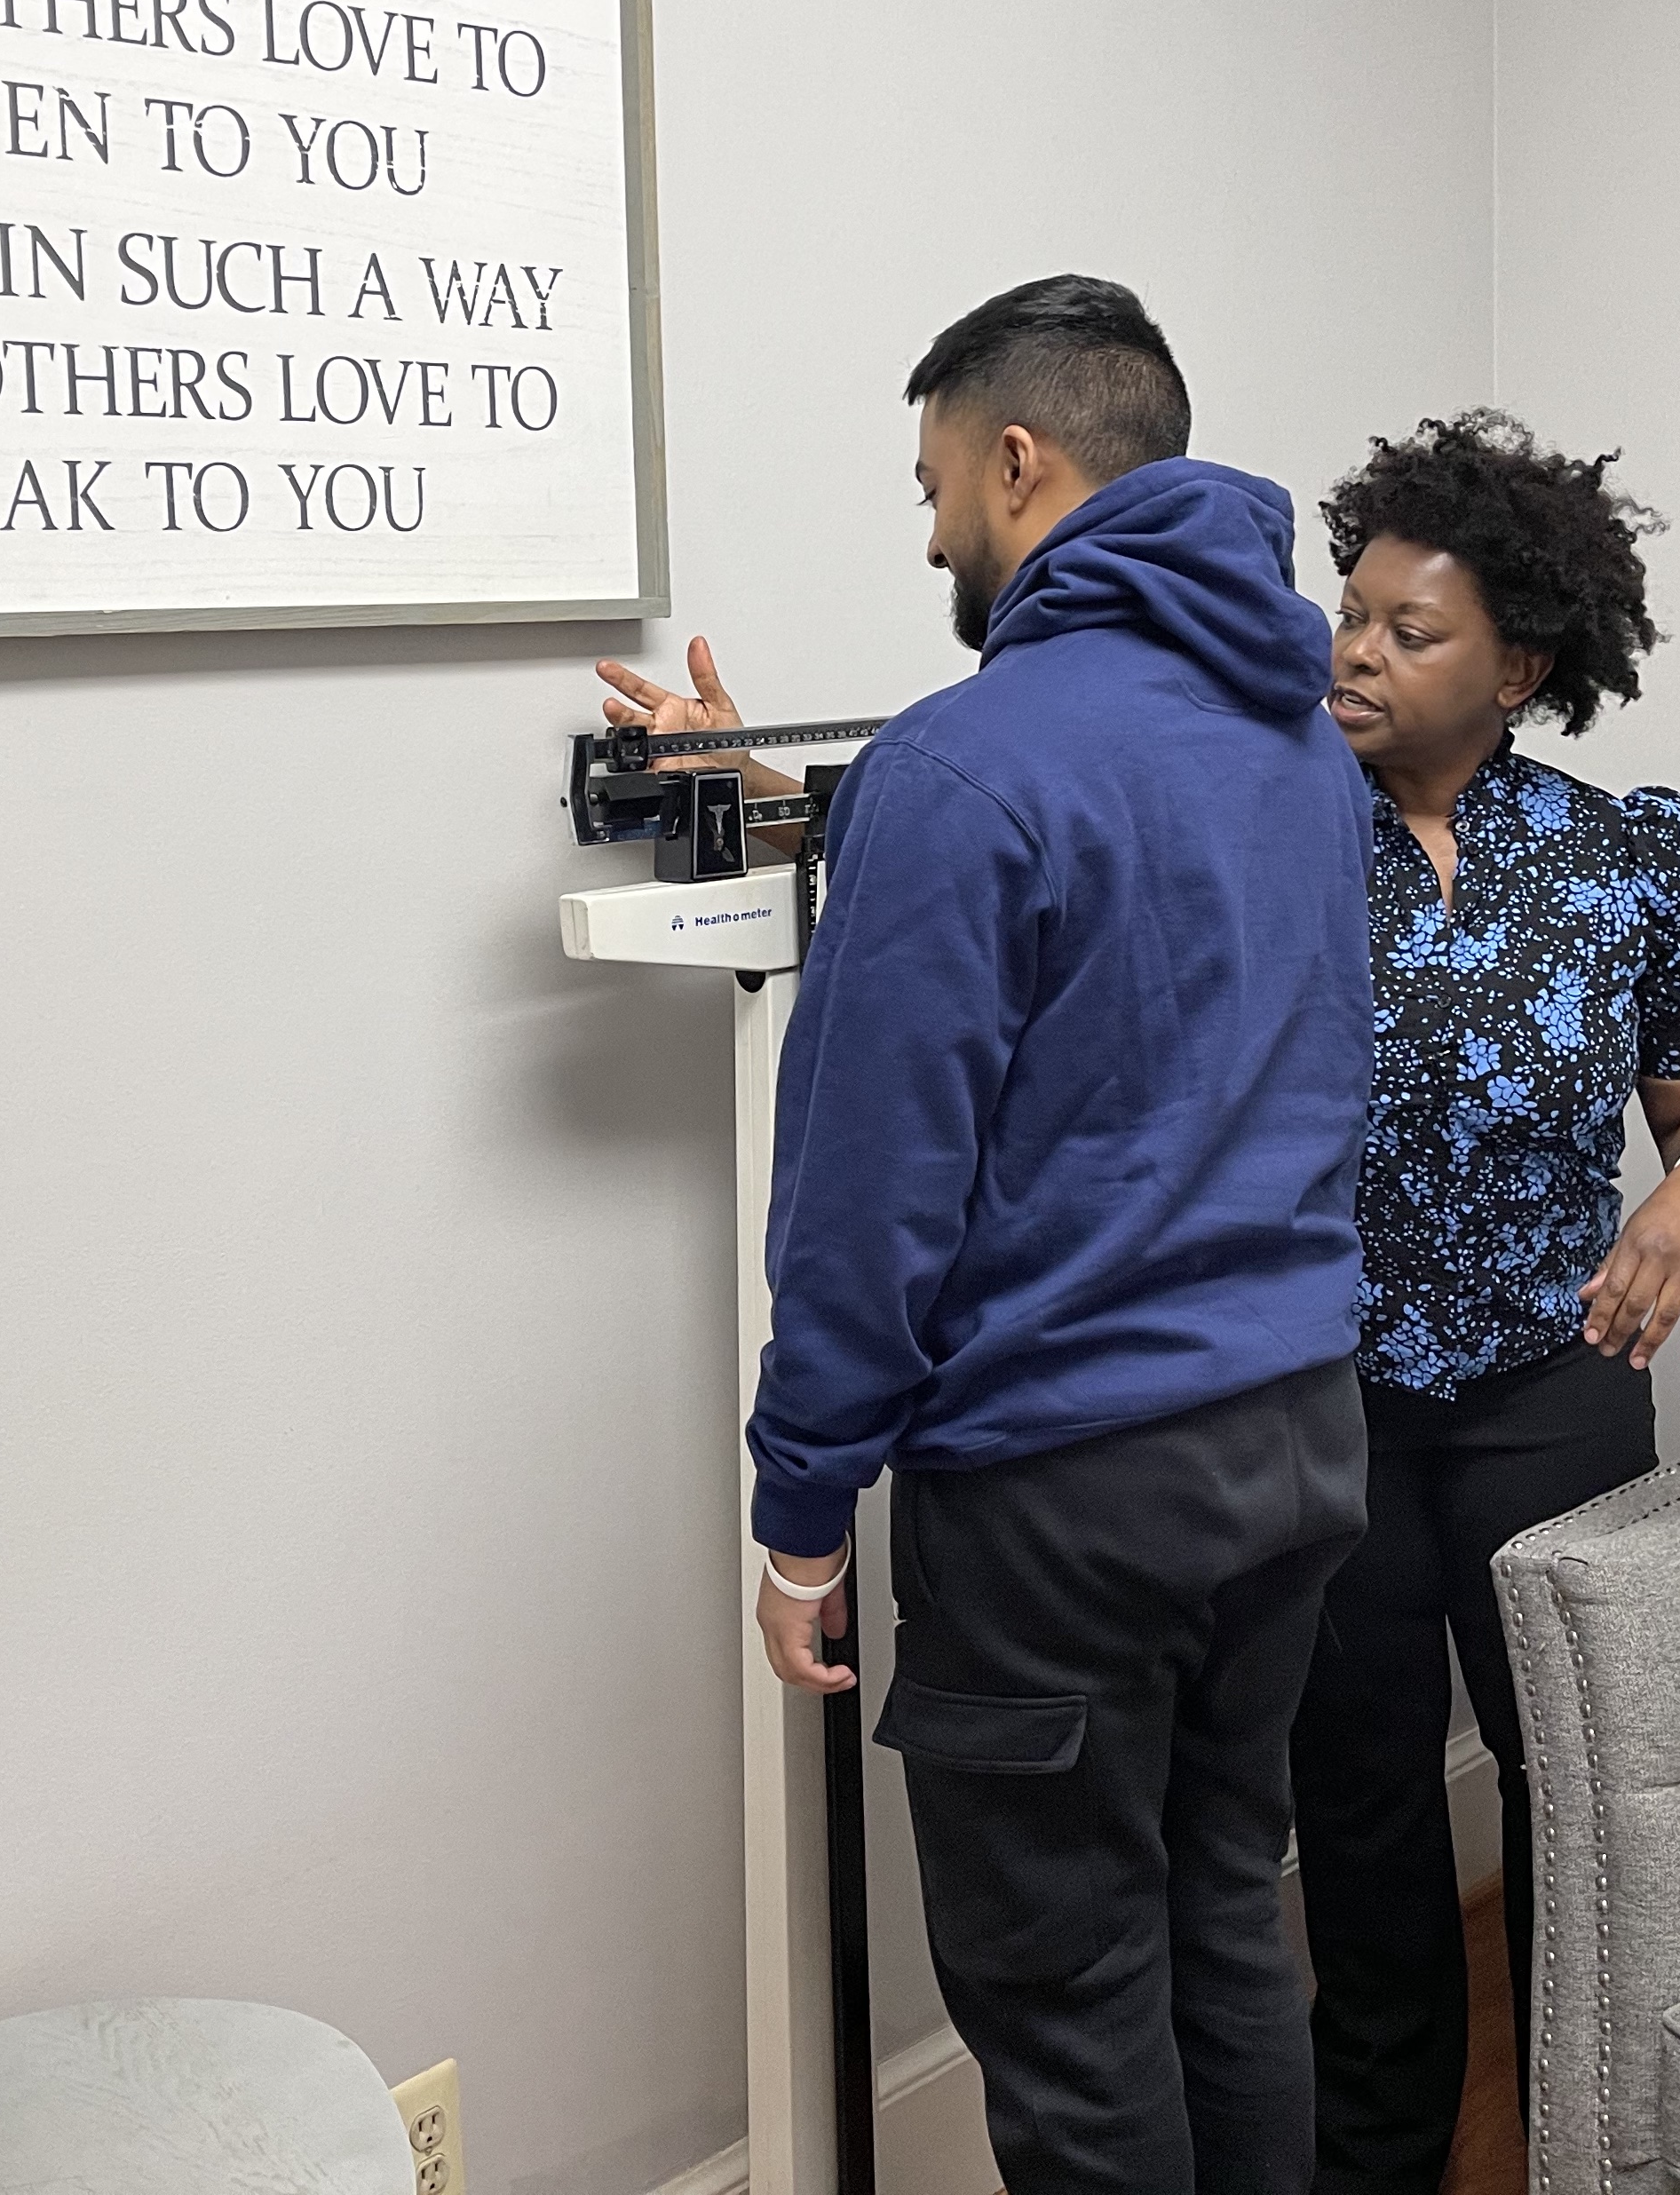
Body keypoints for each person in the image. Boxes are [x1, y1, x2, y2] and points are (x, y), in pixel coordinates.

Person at [595, 276, 1382, 2195]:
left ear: (1018, 458)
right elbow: (1116, 924)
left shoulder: (972, 766)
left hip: (1067, 1498)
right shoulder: (1293, 740)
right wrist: (787, 809)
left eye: (936, 478)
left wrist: (797, 1515)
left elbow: (869, 1207)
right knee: (1219, 1917)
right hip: (1294, 1443)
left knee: (1070, 1995)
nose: (931, 524)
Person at [1285, 409, 1680, 2195]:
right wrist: (777, 802)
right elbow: (1031, 826)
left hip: (1549, 1400)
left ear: (1522, 667)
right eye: (1353, 611)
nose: (1358, 647)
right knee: (1360, 1811)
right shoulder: (1259, 830)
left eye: (1412, 631)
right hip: (1311, 1406)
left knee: (1579, 1801)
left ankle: (1587, 2145)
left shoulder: (1623, 857)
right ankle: (1383, 2160)